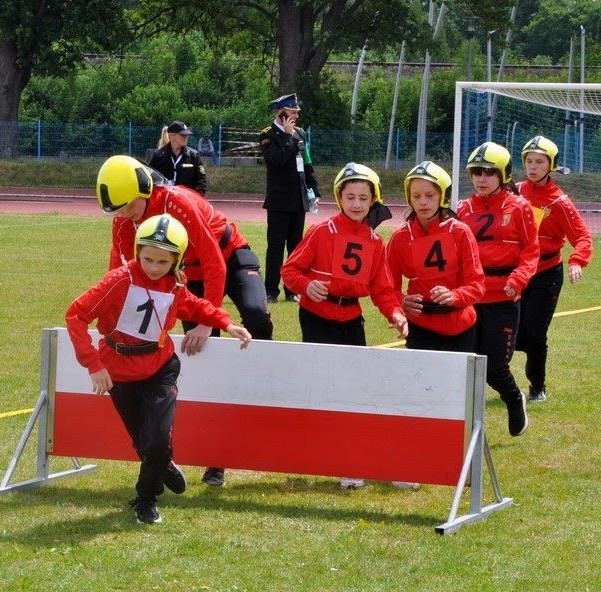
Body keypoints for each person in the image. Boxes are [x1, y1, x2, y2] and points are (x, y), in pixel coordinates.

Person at [65, 214, 252, 524]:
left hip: (160, 368)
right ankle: (163, 464)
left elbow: (194, 305)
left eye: (163, 262)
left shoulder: (175, 284)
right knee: (145, 442)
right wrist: (93, 365)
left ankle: (146, 499)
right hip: (118, 371)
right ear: (137, 252)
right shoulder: (118, 280)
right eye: (147, 259)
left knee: (157, 438)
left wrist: (227, 323)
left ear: (176, 261)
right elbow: (76, 315)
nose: (153, 267)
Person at [100, 154, 271, 487]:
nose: (124, 214)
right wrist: (111, 315)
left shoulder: (177, 203)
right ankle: (216, 460)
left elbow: (214, 263)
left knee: (255, 316)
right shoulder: (123, 219)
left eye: (128, 206)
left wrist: (209, 320)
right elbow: (119, 271)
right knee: (203, 357)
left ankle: (264, 381)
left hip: (229, 257)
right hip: (187, 277)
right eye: (117, 210)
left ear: (144, 190)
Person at [280, 162, 408, 490]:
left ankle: (353, 458)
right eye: (350, 197)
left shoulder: (375, 242)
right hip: (317, 317)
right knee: (326, 387)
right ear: (339, 197)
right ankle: (330, 454)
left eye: (363, 198)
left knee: (355, 389)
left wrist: (396, 315)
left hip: (352, 318)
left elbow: (382, 289)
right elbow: (289, 271)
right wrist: (307, 286)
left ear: (373, 200)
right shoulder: (321, 232)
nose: (356, 204)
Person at [456, 142, 539, 438]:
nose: (482, 178)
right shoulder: (462, 209)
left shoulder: (520, 207)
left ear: (503, 175)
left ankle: (514, 399)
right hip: (469, 298)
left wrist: (518, 280)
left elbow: (531, 251)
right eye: (476, 172)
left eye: (489, 172)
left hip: (503, 298)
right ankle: (462, 425)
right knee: (465, 363)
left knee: (494, 367)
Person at [515, 136, 594, 403]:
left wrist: (577, 261)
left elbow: (582, 236)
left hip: (546, 273)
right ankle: (499, 381)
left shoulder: (560, 202)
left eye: (539, 162)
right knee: (507, 330)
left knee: (535, 333)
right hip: (516, 272)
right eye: (529, 161)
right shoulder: (514, 192)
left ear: (551, 165)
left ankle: (537, 386)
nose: (533, 166)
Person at [386, 161, 485, 353]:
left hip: (460, 327)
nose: (423, 202)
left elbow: (477, 285)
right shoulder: (400, 237)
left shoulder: (460, 232)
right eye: (416, 196)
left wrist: (454, 296)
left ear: (442, 195)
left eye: (430, 195)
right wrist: (400, 301)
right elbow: (386, 286)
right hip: (420, 327)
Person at [259, 93, 322, 303]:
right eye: (292, 112)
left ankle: (292, 290)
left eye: (296, 112)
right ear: (281, 113)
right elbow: (276, 159)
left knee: (295, 248)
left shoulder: (300, 133)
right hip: (279, 201)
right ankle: (271, 290)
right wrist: (286, 136)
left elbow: (306, 162)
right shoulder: (268, 135)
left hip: (298, 199)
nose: (296, 116)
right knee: (275, 247)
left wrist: (314, 190)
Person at [148, 121, 208, 195]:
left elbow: (201, 181)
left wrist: (196, 196)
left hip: (186, 199)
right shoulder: (159, 155)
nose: (186, 137)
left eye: (187, 135)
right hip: (165, 199)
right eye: (183, 135)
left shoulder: (193, 156)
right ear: (172, 136)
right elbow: (150, 178)